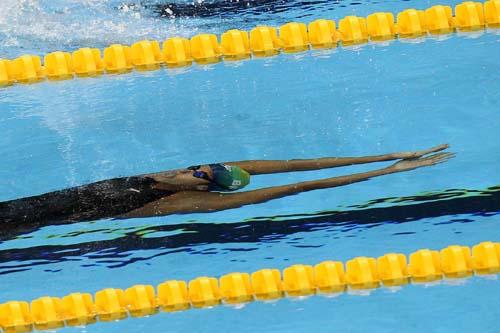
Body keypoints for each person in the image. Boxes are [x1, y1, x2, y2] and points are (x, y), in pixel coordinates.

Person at [0, 144, 453, 225]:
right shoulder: (186, 175)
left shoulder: (187, 203)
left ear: (201, 188)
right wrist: (391, 153)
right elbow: (305, 165)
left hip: (35, 222)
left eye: (198, 174)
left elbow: (298, 187)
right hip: (28, 202)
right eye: (201, 165)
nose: (192, 168)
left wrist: (383, 176)